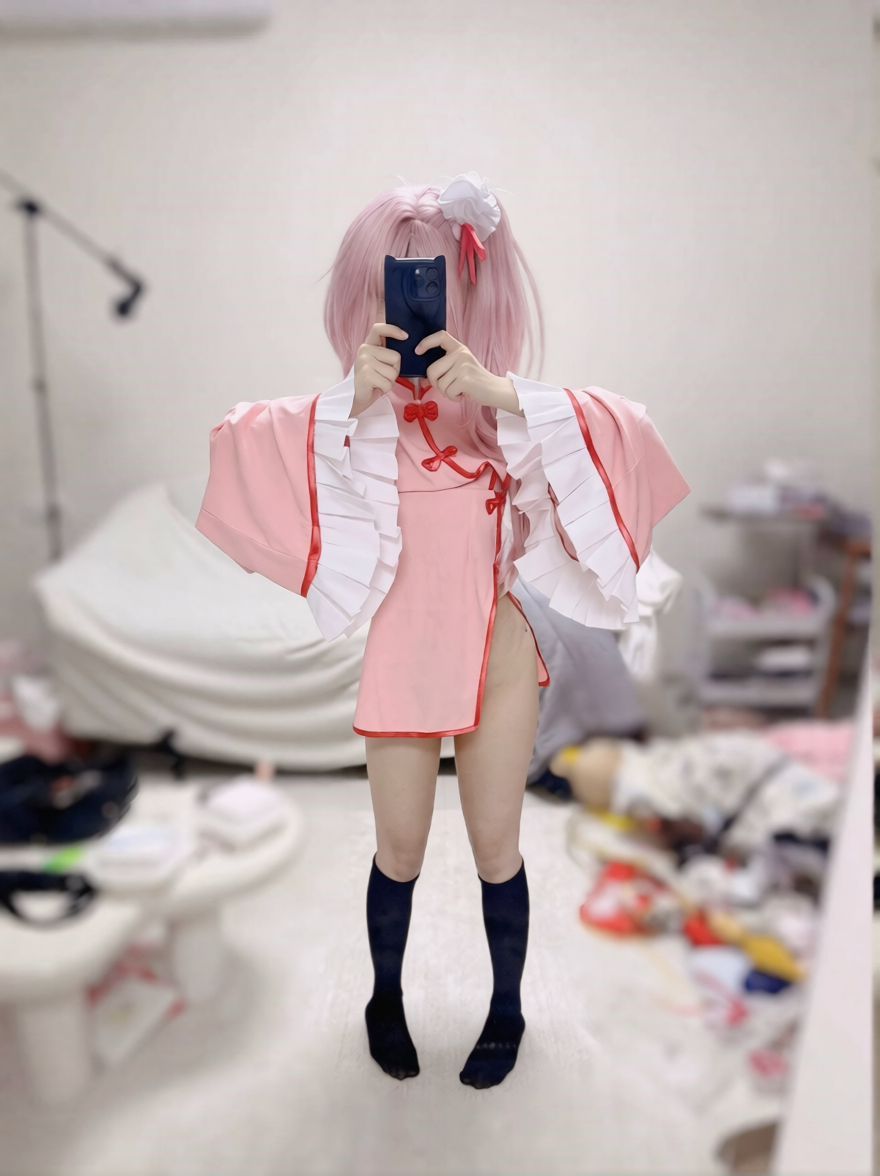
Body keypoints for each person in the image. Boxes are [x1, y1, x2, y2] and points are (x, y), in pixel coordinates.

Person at [196, 172, 690, 1088]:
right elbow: (236, 440)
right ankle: (383, 1000)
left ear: (474, 297)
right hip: (402, 662)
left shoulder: (508, 424)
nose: (419, 308)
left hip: (500, 660)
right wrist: (349, 400)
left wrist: (502, 391)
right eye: (398, 288)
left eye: (439, 289)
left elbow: (630, 430)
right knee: (400, 851)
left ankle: (507, 1009)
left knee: (498, 850)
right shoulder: (354, 430)